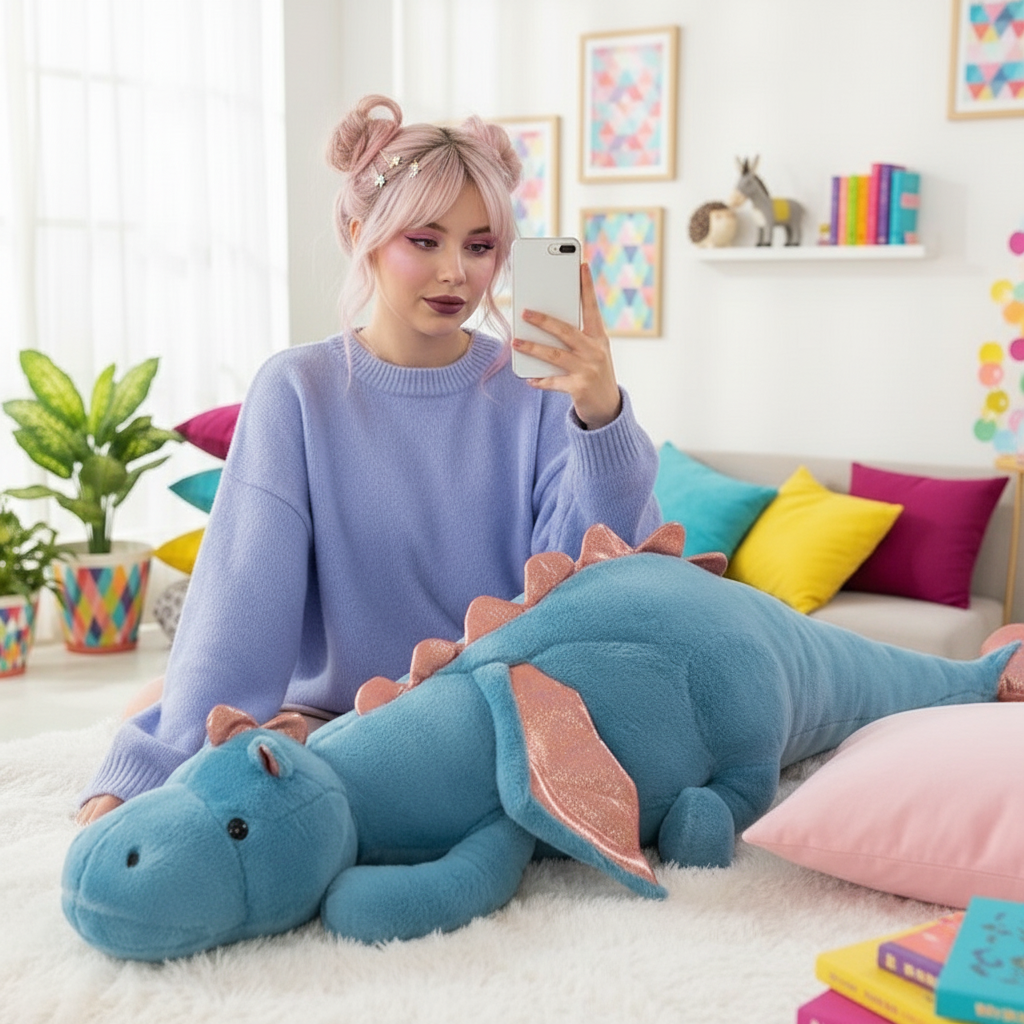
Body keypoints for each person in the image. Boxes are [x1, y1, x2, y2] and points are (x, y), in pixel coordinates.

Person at [77, 94, 661, 824]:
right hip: (330, 719)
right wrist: (151, 770)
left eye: (480, 247)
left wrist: (599, 415)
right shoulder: (298, 389)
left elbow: (593, 586)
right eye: (425, 240)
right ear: (361, 232)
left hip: (484, 718)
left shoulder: (539, 393)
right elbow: (238, 603)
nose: (456, 272)